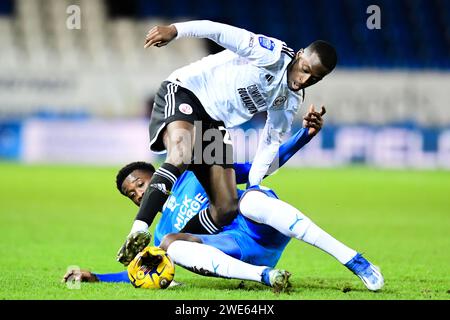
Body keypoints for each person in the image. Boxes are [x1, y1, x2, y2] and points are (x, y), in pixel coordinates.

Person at [65, 111, 384, 292]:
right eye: (131, 195)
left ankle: (353, 260)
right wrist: (98, 278)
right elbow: (142, 271)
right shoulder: (162, 230)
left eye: (139, 184)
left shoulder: (195, 174)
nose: (137, 193)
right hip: (239, 253)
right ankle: (266, 278)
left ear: (157, 174)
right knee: (171, 247)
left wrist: (304, 136)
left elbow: (261, 169)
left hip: (262, 227)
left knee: (249, 201)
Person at [117, 19, 338, 266]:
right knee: (181, 152)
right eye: (305, 69)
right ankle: (139, 229)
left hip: (213, 123)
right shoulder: (269, 52)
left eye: (315, 78)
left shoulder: (290, 100)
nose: (305, 79)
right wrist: (174, 31)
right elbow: (218, 30)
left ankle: (175, 244)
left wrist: (254, 187)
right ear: (299, 56)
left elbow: (270, 143)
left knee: (226, 208)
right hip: (186, 91)